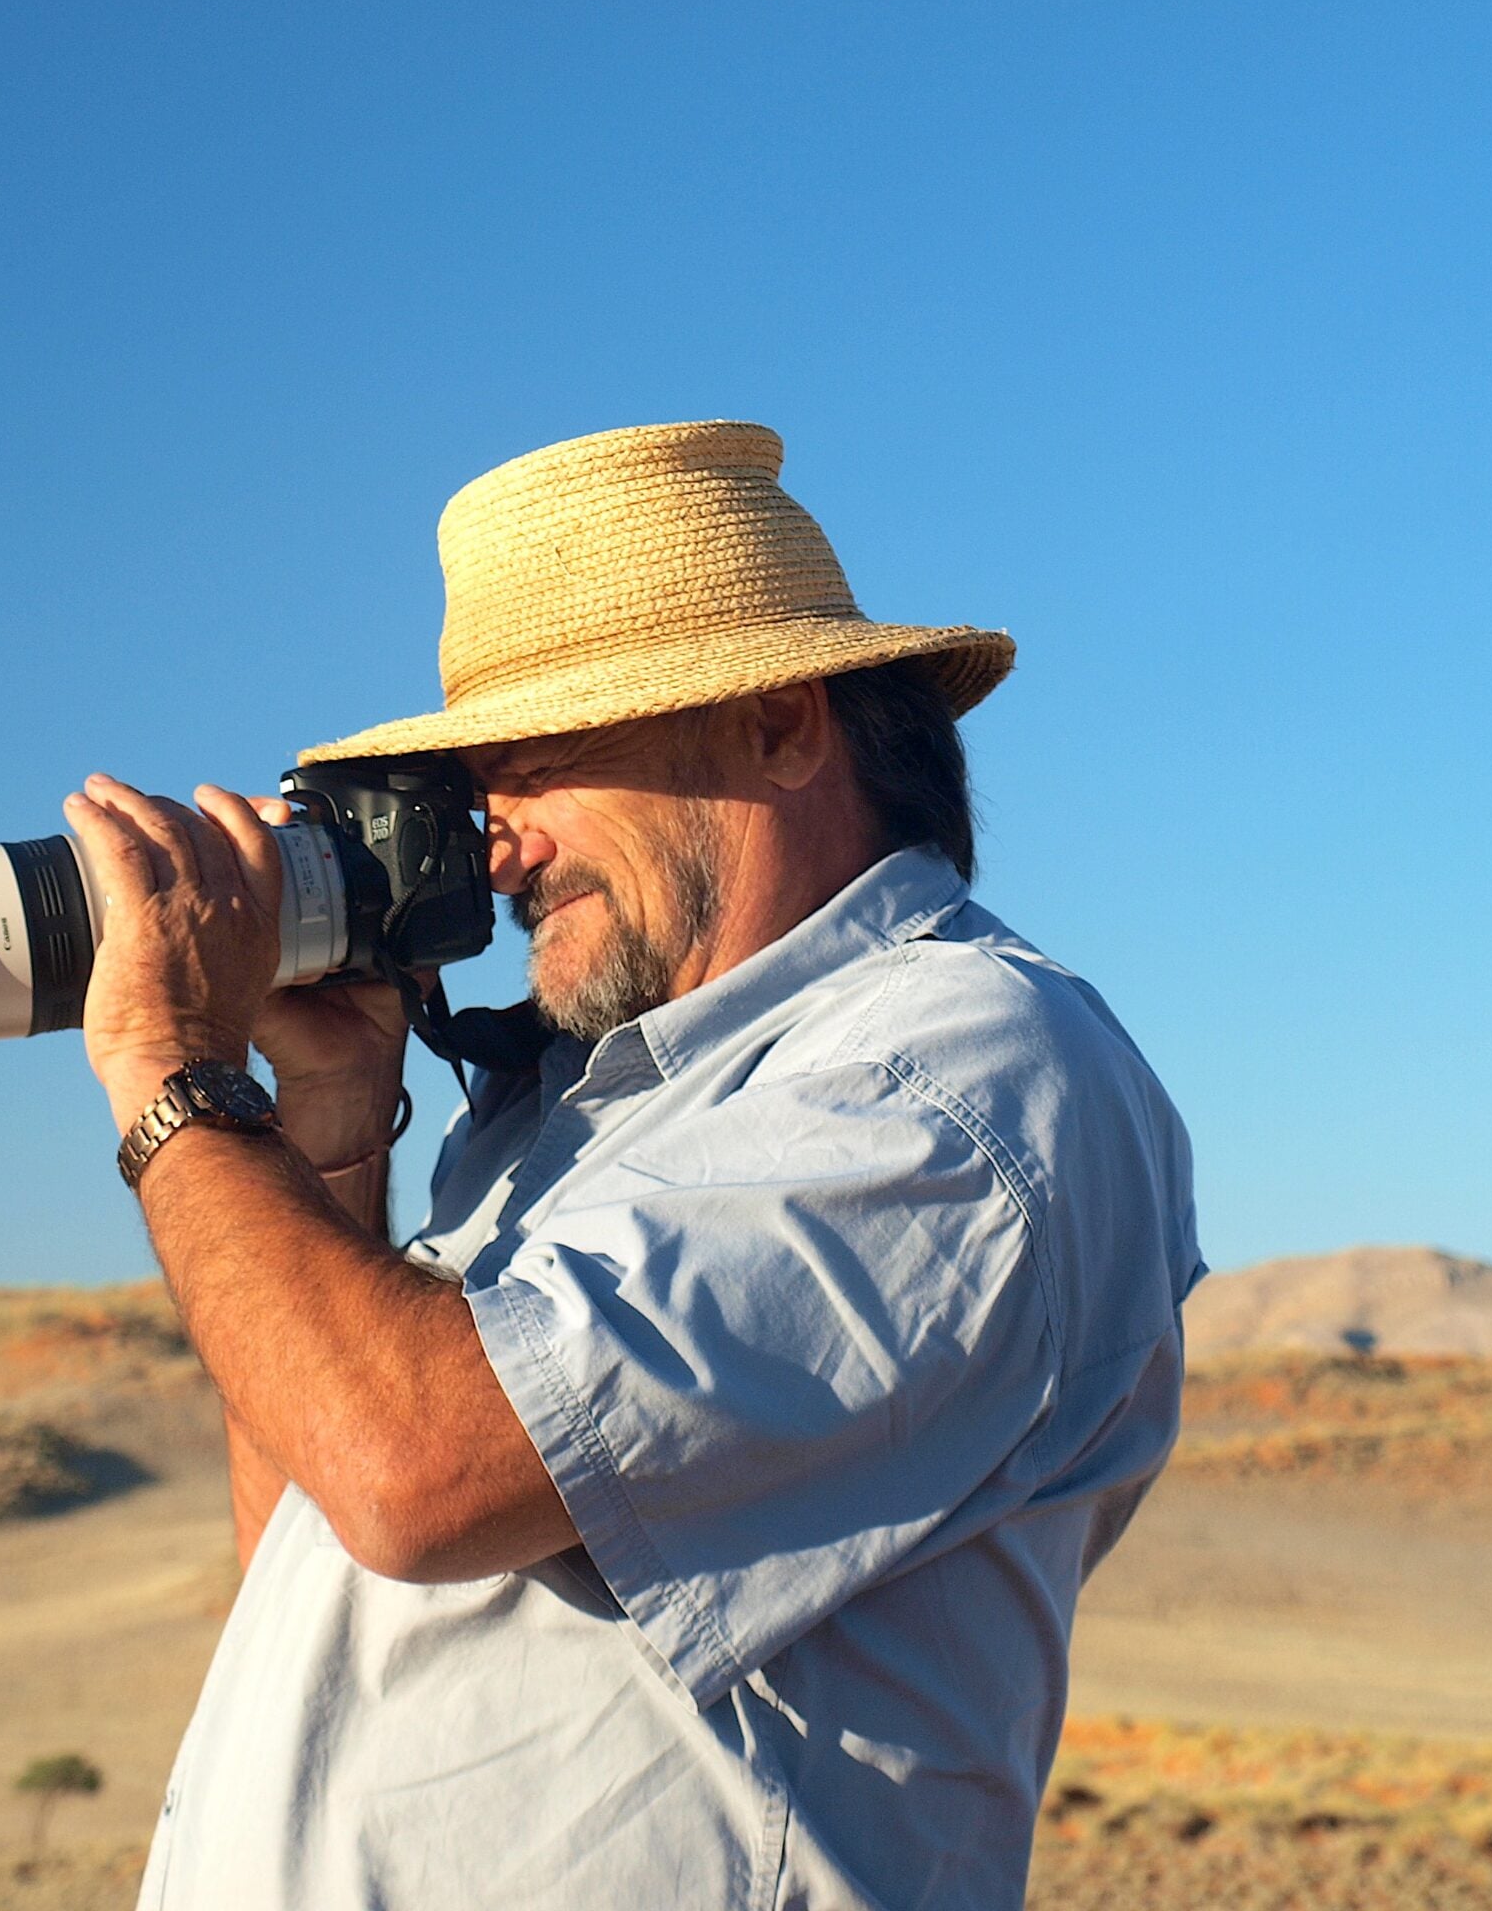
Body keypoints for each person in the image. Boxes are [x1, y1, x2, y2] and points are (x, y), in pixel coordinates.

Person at [61, 421, 1203, 1911]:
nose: (500, 849)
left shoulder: (958, 1071)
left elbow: (414, 1474)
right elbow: (324, 1536)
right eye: (480, 791)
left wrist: (164, 1059)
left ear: (781, 727)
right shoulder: (587, 1109)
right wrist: (330, 1113)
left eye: (537, 768)